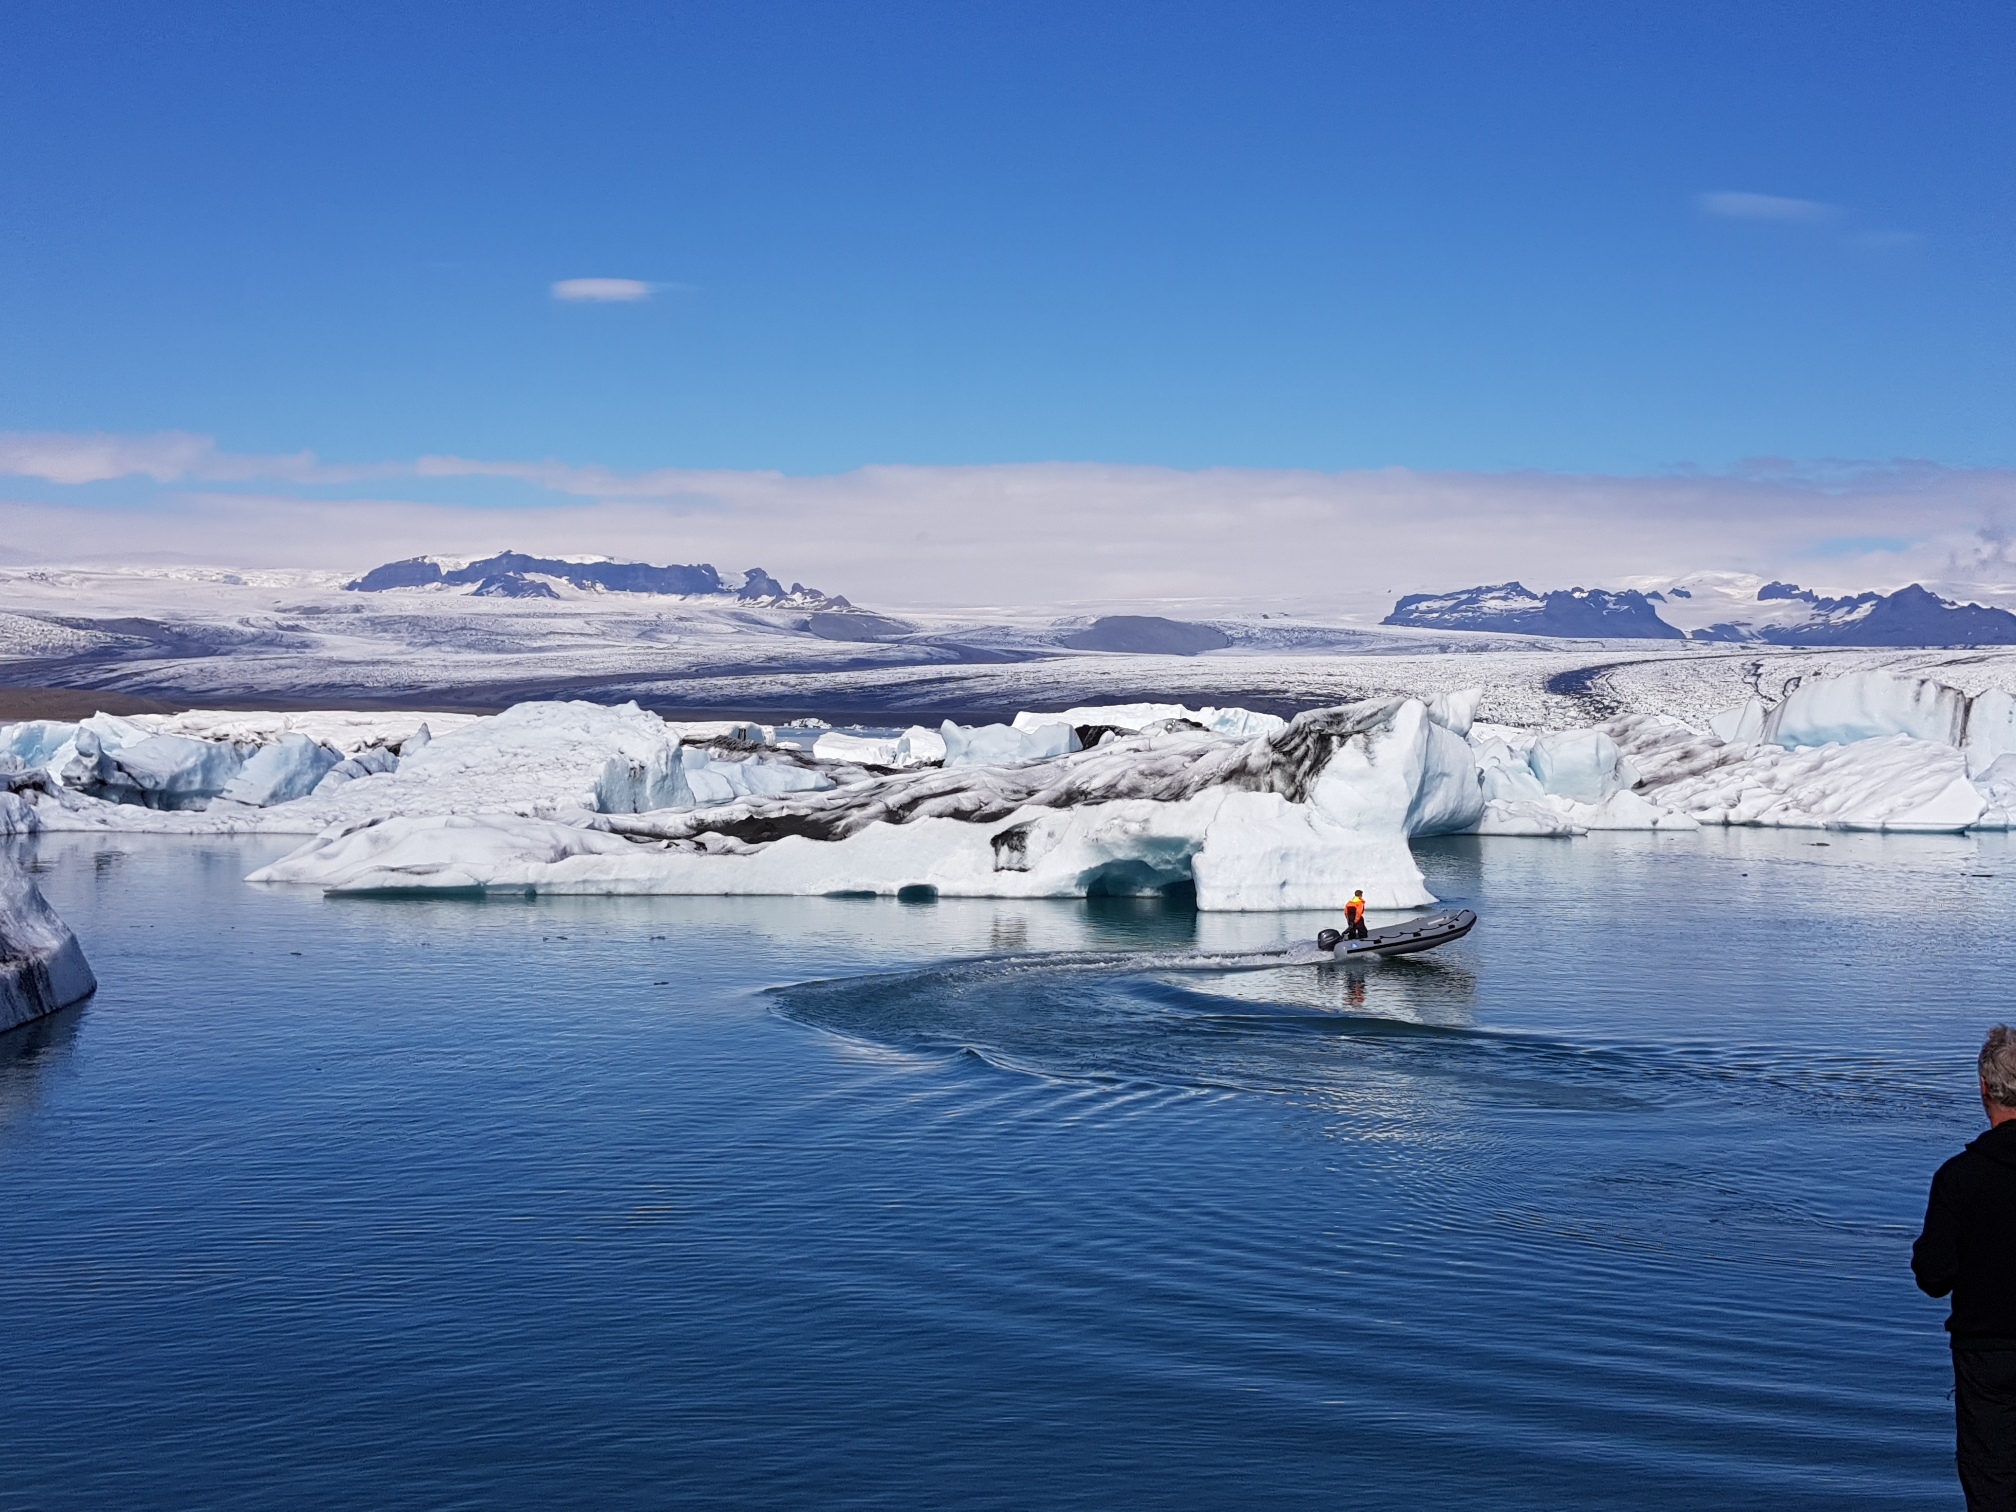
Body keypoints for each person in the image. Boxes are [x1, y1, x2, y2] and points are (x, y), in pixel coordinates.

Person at [1914, 1024, 2016, 1510]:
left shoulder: (1957, 1179)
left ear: (1983, 1087)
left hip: (1986, 1357)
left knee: (1991, 1482)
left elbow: (1933, 1278)